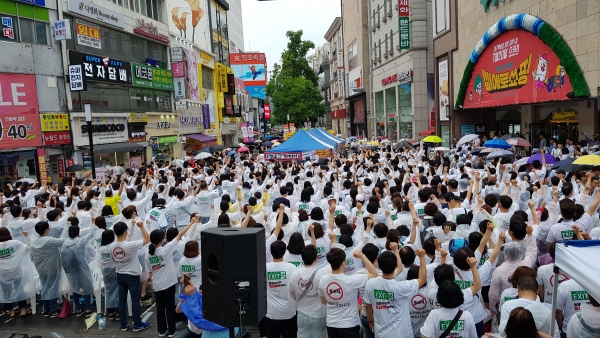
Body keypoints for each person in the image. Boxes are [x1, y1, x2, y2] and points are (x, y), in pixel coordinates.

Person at [146, 215, 196, 337]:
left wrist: (152, 282)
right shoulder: (165, 250)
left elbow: (150, 272)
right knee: (169, 308)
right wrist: (191, 223)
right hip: (168, 283)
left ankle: (161, 331)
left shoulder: (148, 254)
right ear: (161, 240)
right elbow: (179, 235)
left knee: (160, 309)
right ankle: (172, 331)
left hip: (157, 285)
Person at [363, 246, 428, 338]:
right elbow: (422, 279)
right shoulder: (402, 287)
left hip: (381, 333)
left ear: (379, 266)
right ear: (396, 265)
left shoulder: (370, 283)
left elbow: (368, 307)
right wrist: (422, 257)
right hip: (402, 333)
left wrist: (370, 321)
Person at [318, 247, 378, 338]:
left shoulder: (323, 280)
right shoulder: (351, 280)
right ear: (343, 263)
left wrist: (335, 302)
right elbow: (374, 273)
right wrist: (362, 256)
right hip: (349, 324)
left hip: (331, 323)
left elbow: (323, 301)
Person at [110, 221, 151, 332]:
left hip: (120, 274)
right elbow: (147, 239)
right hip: (132, 275)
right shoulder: (129, 245)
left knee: (122, 300)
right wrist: (142, 227)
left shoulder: (112, 246)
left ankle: (123, 325)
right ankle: (137, 324)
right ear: (125, 231)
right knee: (135, 300)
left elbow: (114, 259)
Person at [288, 245, 328, 338]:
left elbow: (291, 293)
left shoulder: (295, 274)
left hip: (302, 313)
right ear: (316, 258)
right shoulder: (321, 273)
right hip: (319, 314)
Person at [31, 221, 69, 317]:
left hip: (40, 268)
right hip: (51, 268)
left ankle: (46, 309)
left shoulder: (34, 242)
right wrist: (67, 226)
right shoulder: (49, 241)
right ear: (47, 230)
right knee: (52, 288)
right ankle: (53, 310)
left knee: (44, 287)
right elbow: (63, 240)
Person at [60, 222, 96, 317]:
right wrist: (93, 224)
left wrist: (66, 225)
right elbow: (91, 235)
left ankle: (78, 309)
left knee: (74, 288)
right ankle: (88, 309)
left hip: (70, 269)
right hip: (82, 268)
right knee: (87, 287)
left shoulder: (64, 242)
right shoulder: (80, 241)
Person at [0, 227, 36, 318]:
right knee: (20, 290)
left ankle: (11, 311)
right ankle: (23, 310)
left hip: (2, 274)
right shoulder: (15, 243)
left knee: (6, 292)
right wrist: (28, 236)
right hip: (16, 271)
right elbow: (29, 249)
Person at [265, 240, 298, 338]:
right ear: (284, 252)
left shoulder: (265, 268)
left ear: (271, 252)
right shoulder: (292, 268)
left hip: (271, 313)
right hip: (289, 312)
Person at [98, 229, 119, 320]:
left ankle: (111, 312)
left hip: (105, 271)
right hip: (115, 269)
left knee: (109, 290)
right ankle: (118, 311)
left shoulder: (101, 249)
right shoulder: (113, 247)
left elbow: (99, 261)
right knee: (117, 290)